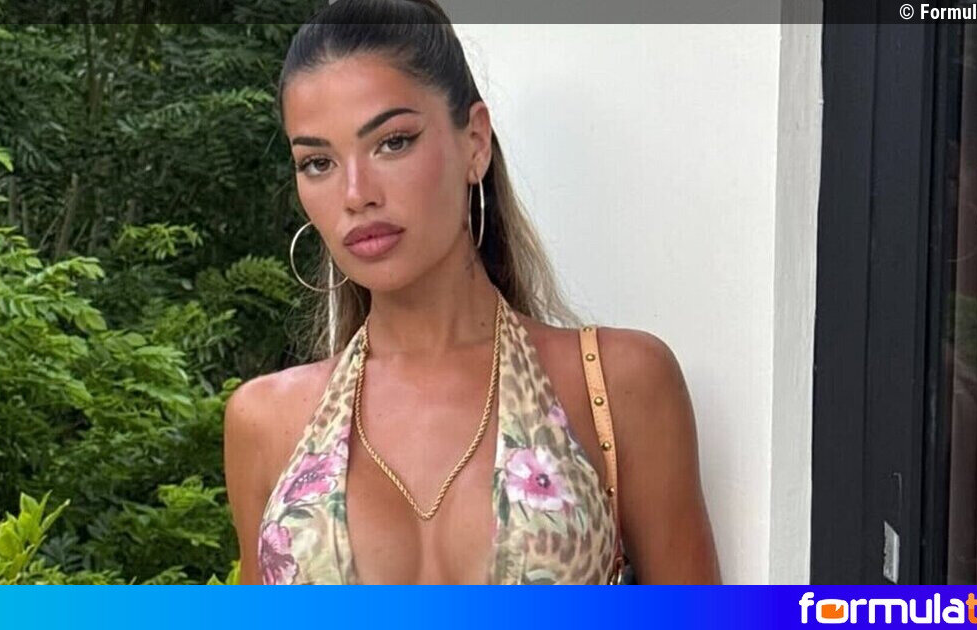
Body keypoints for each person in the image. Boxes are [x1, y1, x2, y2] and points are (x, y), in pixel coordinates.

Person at [224, 0, 720, 585]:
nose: (356, 194)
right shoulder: (266, 422)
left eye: (393, 142)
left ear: (475, 142)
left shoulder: (616, 385)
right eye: (317, 163)